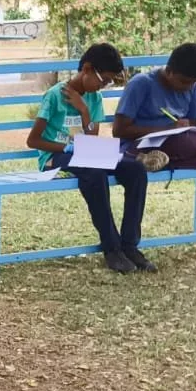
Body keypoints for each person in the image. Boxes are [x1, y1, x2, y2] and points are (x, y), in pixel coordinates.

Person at [26, 42, 153, 275]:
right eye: (103, 79)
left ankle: (130, 245)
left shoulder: (93, 98)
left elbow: (92, 136)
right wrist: (65, 148)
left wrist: (84, 110)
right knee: (94, 175)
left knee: (135, 170)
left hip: (86, 153)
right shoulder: (55, 96)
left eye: (109, 82)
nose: (103, 85)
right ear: (86, 69)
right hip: (55, 158)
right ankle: (112, 248)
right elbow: (33, 141)